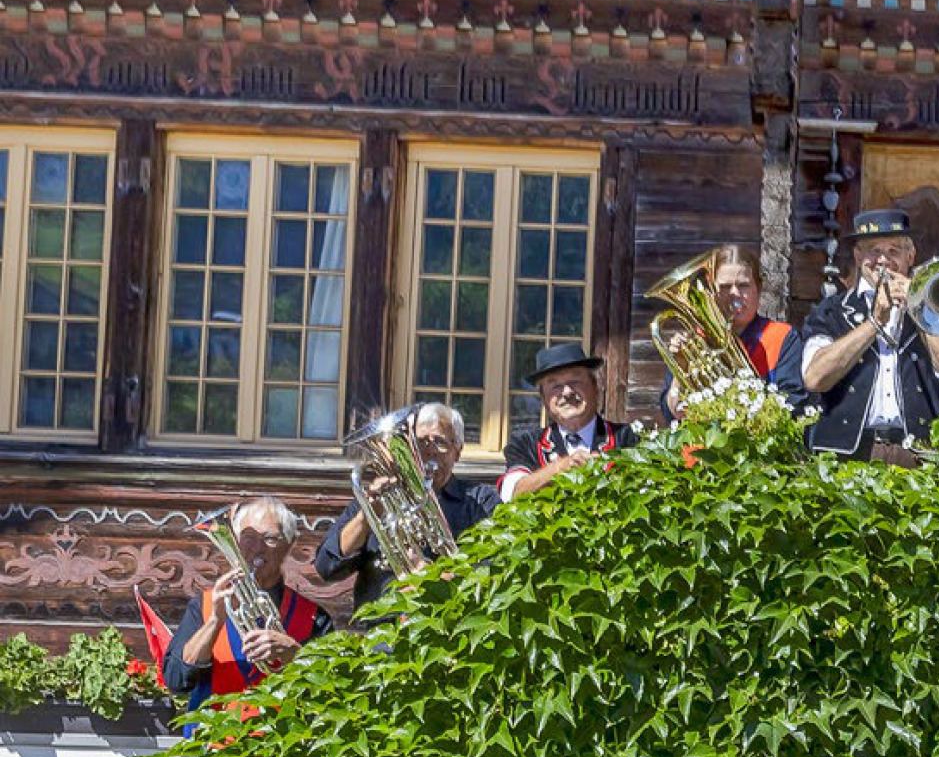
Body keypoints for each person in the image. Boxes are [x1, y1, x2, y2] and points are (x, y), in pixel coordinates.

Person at [799, 209, 939, 465]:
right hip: (846, 456)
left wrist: (920, 311)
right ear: (858, 255)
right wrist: (874, 323)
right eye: (873, 250)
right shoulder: (831, 311)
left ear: (911, 256)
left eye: (894, 251)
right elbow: (814, 378)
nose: (883, 260)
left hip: (920, 455)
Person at [315, 402, 500, 609]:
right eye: (420, 442)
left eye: (439, 442)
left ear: (457, 451)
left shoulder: (481, 501)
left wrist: (434, 578)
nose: (429, 451)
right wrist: (367, 517)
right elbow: (326, 567)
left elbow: (494, 568)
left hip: (451, 627)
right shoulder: (377, 498)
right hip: (383, 630)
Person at [164, 496, 331, 717]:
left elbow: (331, 689)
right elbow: (176, 680)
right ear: (235, 540)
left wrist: (294, 653)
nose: (258, 549)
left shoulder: (314, 617)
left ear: (288, 546)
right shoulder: (202, 605)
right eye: (249, 537)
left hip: (284, 746)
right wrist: (215, 621)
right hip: (213, 744)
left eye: (271, 538)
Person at [661, 245, 808, 420]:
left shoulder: (783, 337)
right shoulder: (696, 342)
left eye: (743, 285)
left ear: (758, 289)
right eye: (724, 286)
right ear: (712, 292)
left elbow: (792, 405)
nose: (735, 293)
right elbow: (672, 414)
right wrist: (681, 370)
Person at [498, 344, 644, 501]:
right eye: (555, 386)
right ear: (544, 397)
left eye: (575, 381)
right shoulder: (525, 445)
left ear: (595, 387)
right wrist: (560, 468)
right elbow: (511, 494)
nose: (567, 392)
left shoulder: (630, 439)